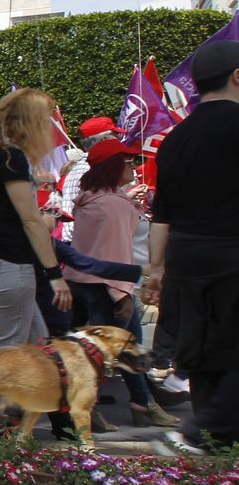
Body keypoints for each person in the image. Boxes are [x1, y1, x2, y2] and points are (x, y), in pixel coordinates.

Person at [145, 39, 239, 452]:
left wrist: (154, 269)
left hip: (184, 255)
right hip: (231, 251)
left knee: (200, 353)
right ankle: (201, 430)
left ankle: (215, 451)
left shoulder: (174, 139)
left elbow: (160, 213)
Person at [67, 137, 177, 427]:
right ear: (112, 166)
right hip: (108, 288)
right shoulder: (113, 206)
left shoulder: (91, 199)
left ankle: (141, 404)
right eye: (126, 161)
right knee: (106, 353)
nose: (133, 166)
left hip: (85, 284)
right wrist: (123, 294)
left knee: (120, 350)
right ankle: (107, 409)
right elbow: (115, 255)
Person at [0, 89, 75, 352]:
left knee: (35, 351)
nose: (50, 127)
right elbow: (30, 221)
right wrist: (55, 275)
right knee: (11, 360)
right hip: (6, 266)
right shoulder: (10, 158)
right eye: (46, 119)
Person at [56, 117, 119, 241]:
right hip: (86, 241)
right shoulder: (92, 170)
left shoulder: (81, 167)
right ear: (104, 140)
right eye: (115, 136)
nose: (119, 140)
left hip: (78, 239)